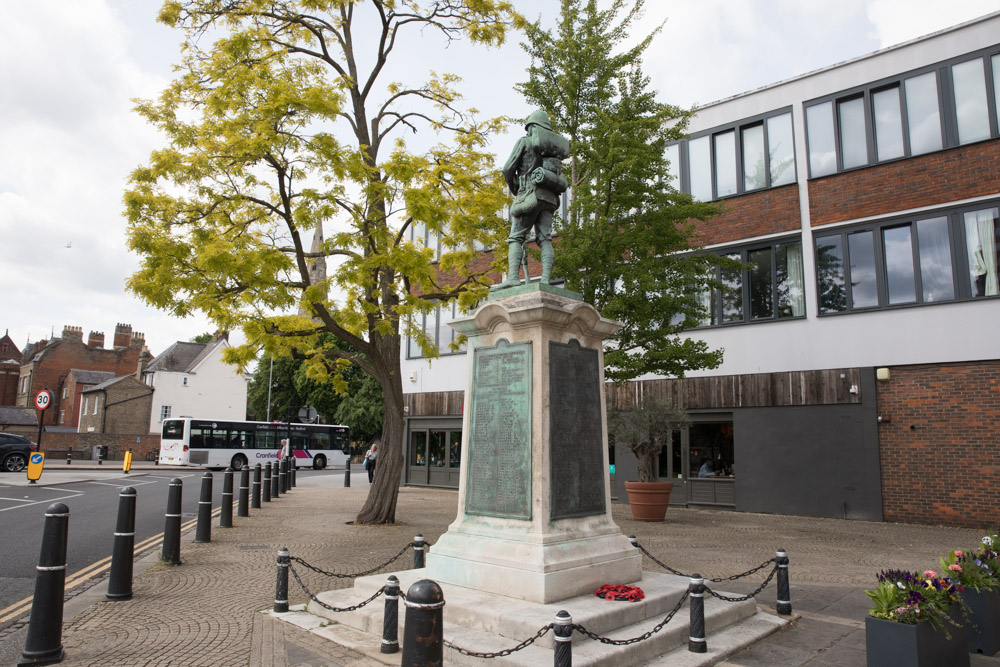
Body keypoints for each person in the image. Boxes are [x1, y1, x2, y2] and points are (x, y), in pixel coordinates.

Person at [493, 109, 569, 289]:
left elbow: (507, 169)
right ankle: (544, 280)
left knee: (516, 237)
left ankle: (512, 277)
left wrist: (515, 188)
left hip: (528, 195)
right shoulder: (552, 151)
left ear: (531, 127)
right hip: (549, 199)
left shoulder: (524, 142)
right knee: (545, 239)